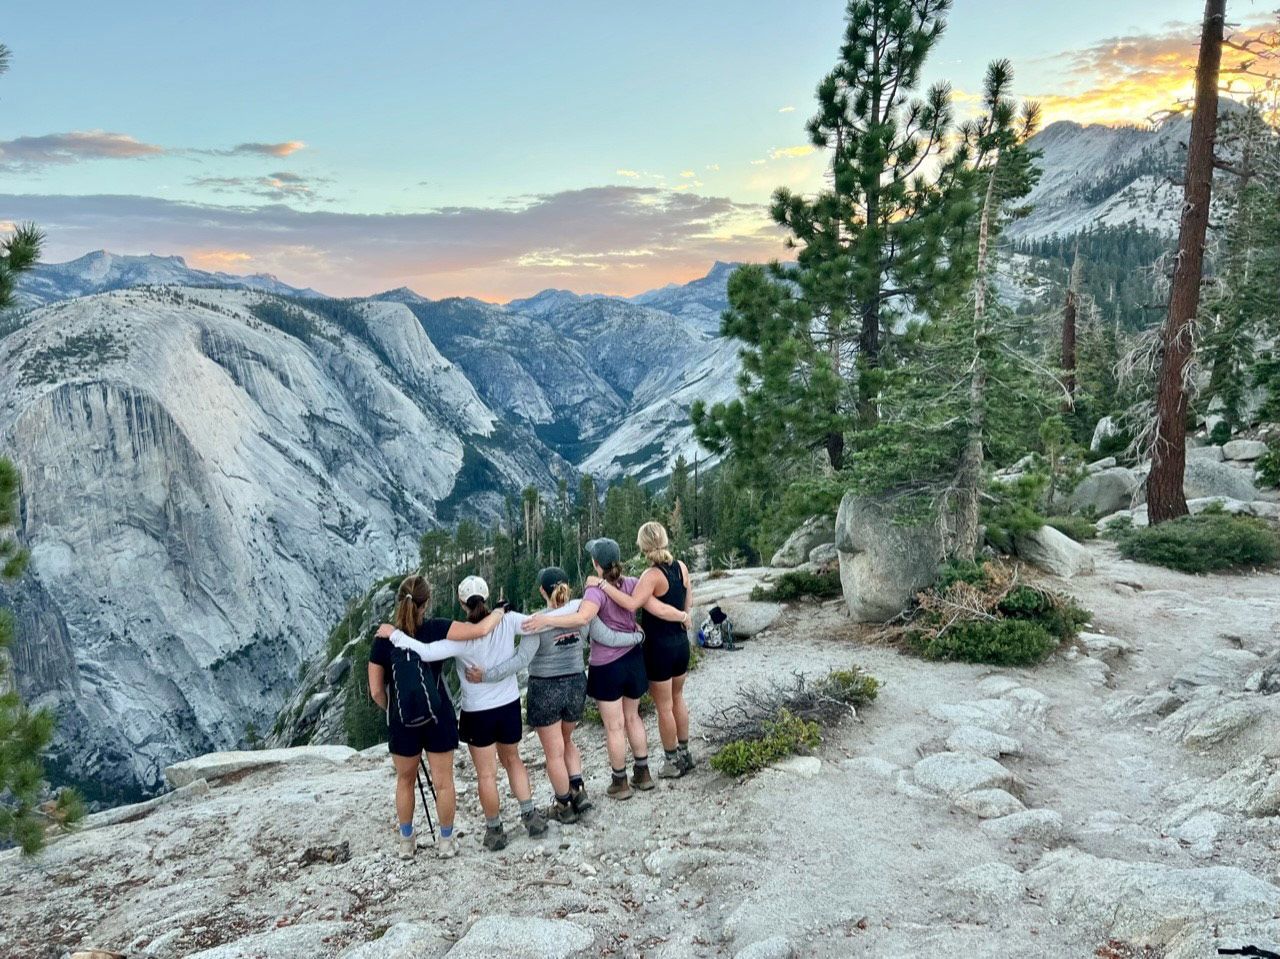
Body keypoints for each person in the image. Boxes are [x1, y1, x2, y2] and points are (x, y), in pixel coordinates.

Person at [464, 567, 647, 824]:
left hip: (546, 689)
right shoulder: (580, 614)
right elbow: (604, 636)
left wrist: (486, 675)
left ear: (542, 590)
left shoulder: (537, 622)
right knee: (567, 740)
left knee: (553, 753)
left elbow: (521, 660)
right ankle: (578, 790)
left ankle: (563, 804)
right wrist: (636, 636)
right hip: (575, 685)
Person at [381, 575, 547, 852]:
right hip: (508, 703)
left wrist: (395, 635)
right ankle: (529, 815)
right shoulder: (509, 619)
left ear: (461, 603)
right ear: (487, 595)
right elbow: (535, 627)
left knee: (486, 775)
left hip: (477, 710)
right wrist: (517, 659)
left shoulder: (459, 640)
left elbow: (425, 651)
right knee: (514, 760)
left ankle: (494, 829)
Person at [524, 538, 690, 800]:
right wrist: (680, 616)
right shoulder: (632, 584)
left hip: (607, 665)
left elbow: (581, 619)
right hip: (634, 661)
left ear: (595, 563)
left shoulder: (595, 592)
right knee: (633, 718)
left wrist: (545, 619)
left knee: (614, 726)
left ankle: (620, 781)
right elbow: (652, 607)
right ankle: (643, 773)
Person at [366, 574, 504, 860]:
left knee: (404, 781)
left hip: (402, 720)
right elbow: (479, 631)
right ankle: (445, 841)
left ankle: (406, 841)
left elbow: (377, 691)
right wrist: (501, 611)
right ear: (426, 602)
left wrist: (395, 710)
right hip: (438, 714)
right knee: (444, 782)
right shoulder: (438, 628)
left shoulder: (383, 640)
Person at [588, 521, 694, 779]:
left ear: (643, 544)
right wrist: (684, 616)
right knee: (678, 698)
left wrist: (602, 586)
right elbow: (688, 594)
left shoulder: (651, 576)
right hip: (681, 644)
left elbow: (634, 602)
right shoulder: (680, 567)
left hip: (660, 648)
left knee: (664, 706)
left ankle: (671, 761)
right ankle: (685, 753)